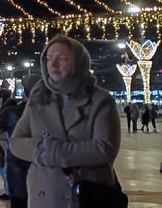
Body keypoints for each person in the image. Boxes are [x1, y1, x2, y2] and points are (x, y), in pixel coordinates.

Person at [10, 35, 121, 208]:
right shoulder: (38, 98)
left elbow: (105, 149)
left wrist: (52, 153)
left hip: (87, 193)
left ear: (78, 62)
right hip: (45, 193)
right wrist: (40, 151)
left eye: (62, 59)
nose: (53, 65)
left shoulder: (100, 99)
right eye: (49, 59)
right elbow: (16, 142)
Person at [0, 78, 39, 208]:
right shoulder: (55, 111)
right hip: (45, 166)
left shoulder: (12, 111)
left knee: (19, 201)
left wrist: (9, 101)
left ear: (25, 93)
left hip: (18, 166)